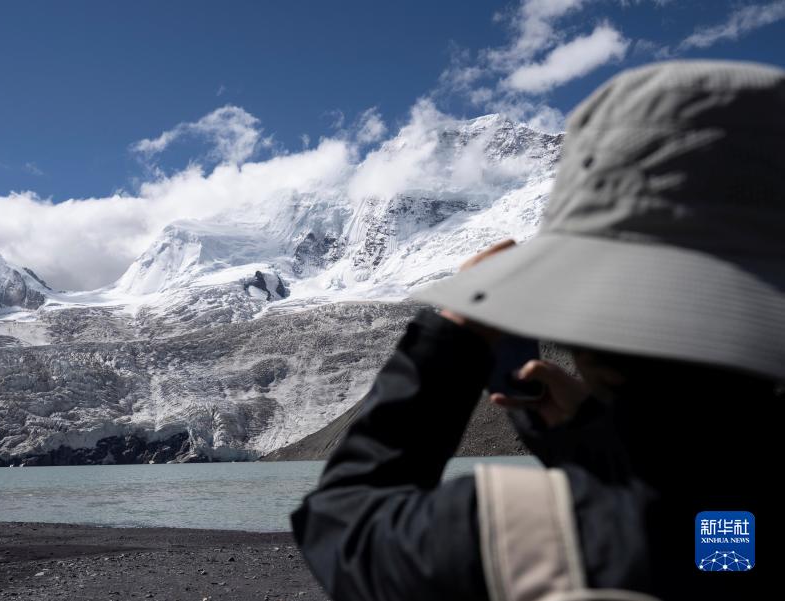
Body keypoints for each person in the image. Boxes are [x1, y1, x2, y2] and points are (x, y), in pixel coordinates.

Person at [291, 60, 783, 600]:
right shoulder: (732, 532)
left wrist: (450, 340)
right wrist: (590, 437)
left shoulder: (521, 536)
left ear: (588, 327)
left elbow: (344, 521)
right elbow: (704, 514)